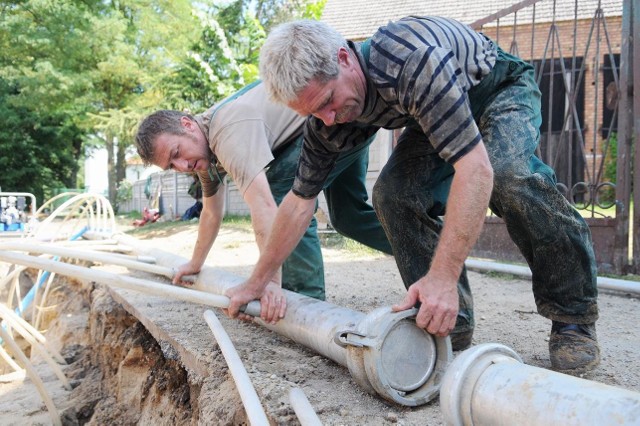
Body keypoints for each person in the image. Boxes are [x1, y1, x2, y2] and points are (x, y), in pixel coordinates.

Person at [225, 16, 600, 374]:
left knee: (508, 176)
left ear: (344, 58)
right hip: (433, 110)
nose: (327, 119)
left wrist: (443, 276)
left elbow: (476, 169)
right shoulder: (328, 119)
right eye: (313, 112)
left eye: (327, 102)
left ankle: (572, 317)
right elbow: (298, 203)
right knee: (393, 195)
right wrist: (259, 280)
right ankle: (449, 323)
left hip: (494, 88)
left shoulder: (409, 63)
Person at [135, 81, 392, 317]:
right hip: (345, 126)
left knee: (283, 194)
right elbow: (211, 212)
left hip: (338, 114)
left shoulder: (225, 131)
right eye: (172, 165)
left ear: (188, 125)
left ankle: (306, 304)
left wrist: (267, 282)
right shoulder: (203, 156)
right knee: (350, 217)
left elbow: (265, 205)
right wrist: (195, 263)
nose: (182, 165)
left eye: (177, 152)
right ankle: (426, 251)